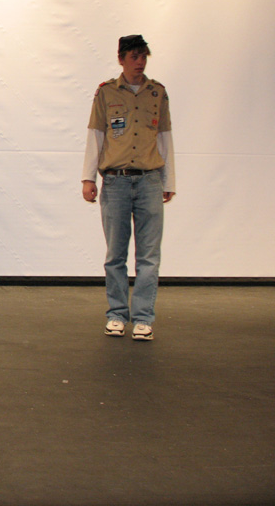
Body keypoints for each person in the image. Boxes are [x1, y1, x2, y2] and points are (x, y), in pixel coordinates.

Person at [81, 34, 176, 341]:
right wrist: (88, 178)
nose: (140, 62)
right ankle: (117, 314)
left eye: (143, 56)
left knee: (149, 256)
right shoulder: (106, 93)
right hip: (116, 182)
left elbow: (165, 137)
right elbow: (96, 134)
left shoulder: (157, 93)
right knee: (115, 255)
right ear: (121, 59)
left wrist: (168, 180)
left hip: (149, 181)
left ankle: (144, 318)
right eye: (134, 57)